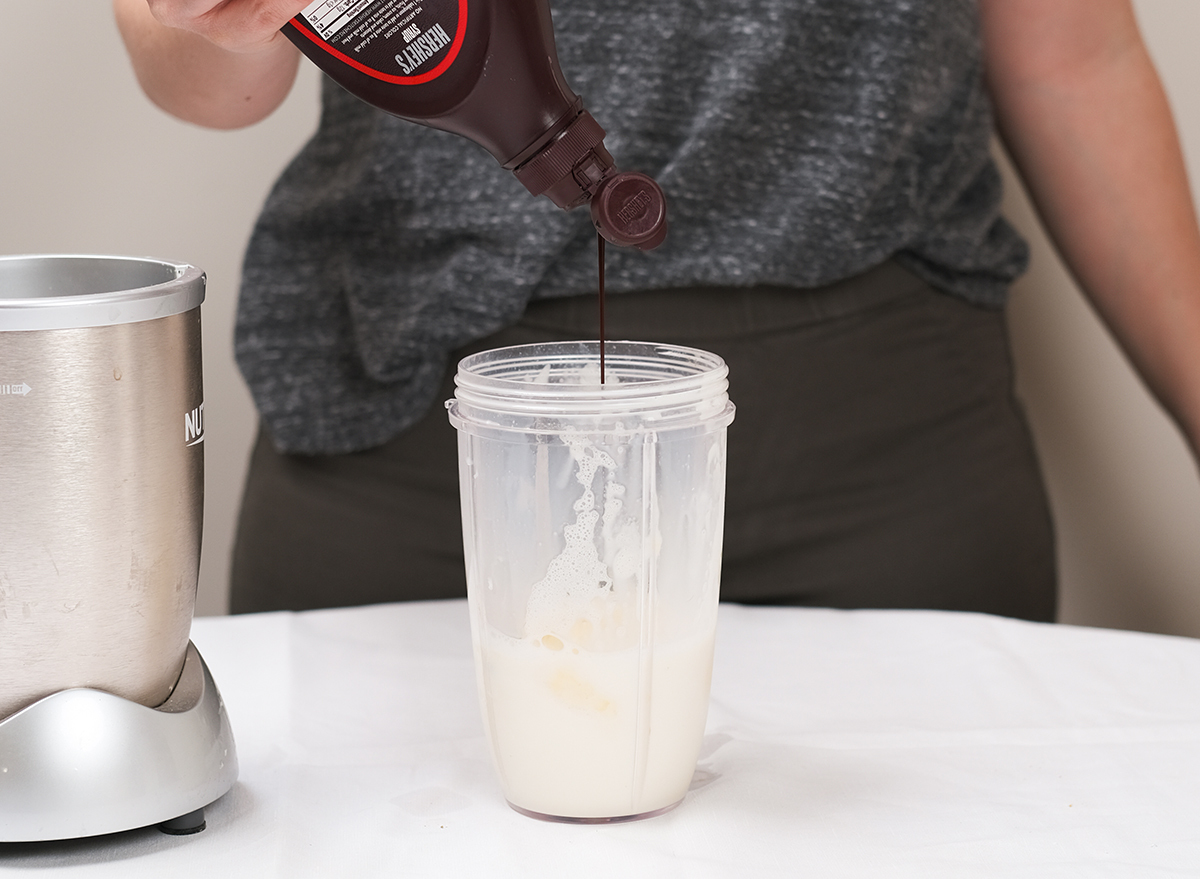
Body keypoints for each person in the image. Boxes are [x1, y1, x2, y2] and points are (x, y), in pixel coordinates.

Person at [114, 0, 1200, 620]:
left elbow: (1074, 58)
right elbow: (211, 72)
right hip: (420, 447)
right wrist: (220, 22)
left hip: (884, 460)